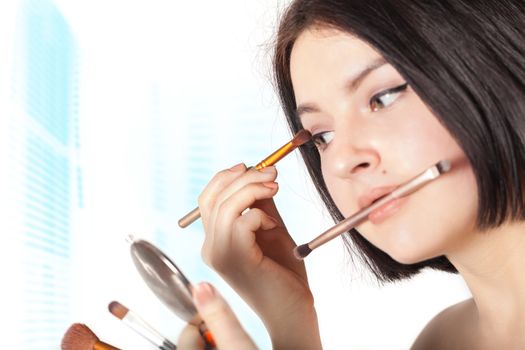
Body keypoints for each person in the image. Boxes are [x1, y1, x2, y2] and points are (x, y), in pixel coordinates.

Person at [179, 0, 525, 348]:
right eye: (322, 137)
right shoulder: (441, 340)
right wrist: (290, 323)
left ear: (490, 67)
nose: (343, 162)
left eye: (383, 98)